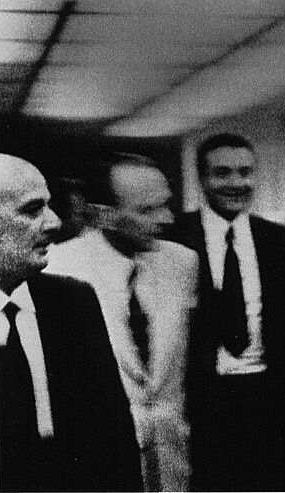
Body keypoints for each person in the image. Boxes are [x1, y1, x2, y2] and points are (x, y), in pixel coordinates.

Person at [46, 154, 197, 491]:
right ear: (104, 215)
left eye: (166, 205)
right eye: (147, 210)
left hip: (173, 459)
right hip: (100, 458)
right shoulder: (59, 267)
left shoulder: (183, 263)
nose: (167, 218)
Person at [0, 153, 142, 492]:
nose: (55, 222)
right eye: (32, 210)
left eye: (49, 206)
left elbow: (115, 438)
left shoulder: (74, 302)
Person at [178, 133, 285, 491]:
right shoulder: (175, 238)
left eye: (245, 172)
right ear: (201, 179)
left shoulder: (279, 240)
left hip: (266, 397)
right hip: (202, 400)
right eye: (222, 173)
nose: (235, 183)